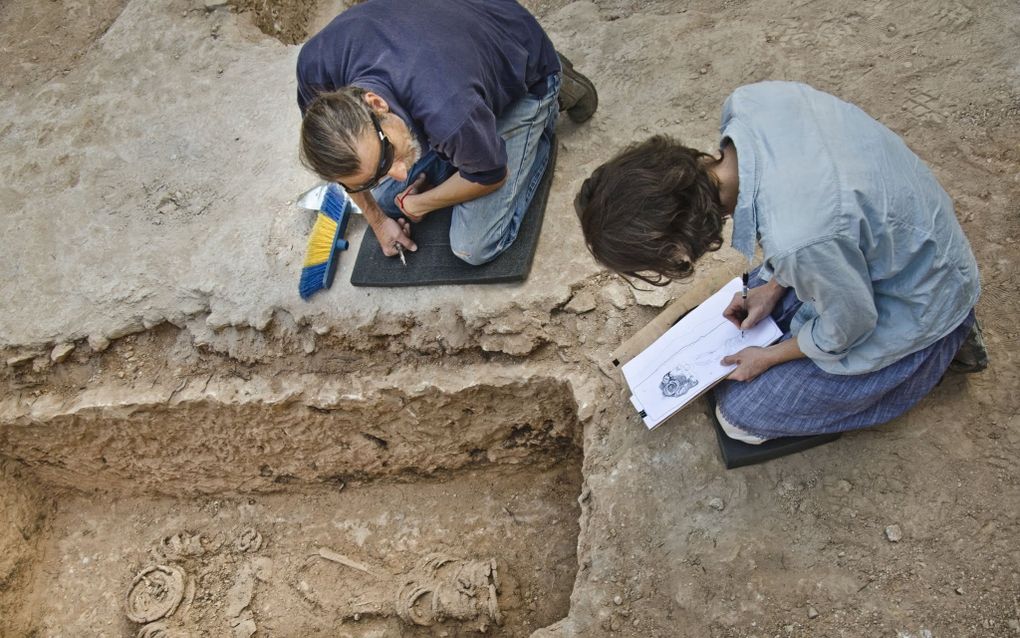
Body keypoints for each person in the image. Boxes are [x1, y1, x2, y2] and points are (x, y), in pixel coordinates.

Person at [574, 81, 987, 444]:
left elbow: (852, 326)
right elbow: (806, 226)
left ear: (679, 237)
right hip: (883, 239)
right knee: (759, 298)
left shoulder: (799, 241)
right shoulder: (748, 104)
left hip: (923, 296)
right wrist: (772, 287)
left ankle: (936, 353)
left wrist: (768, 357)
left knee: (742, 414)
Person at [296, 0, 597, 265]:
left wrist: (420, 203)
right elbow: (345, 174)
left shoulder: (447, 108)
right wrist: (377, 220)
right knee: (387, 198)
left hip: (515, 49)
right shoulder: (316, 71)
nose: (400, 173)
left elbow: (490, 176)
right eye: (381, 170)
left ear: (375, 104)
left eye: (388, 157)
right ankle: (469, 139)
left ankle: (547, 101)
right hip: (451, 40)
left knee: (474, 246)